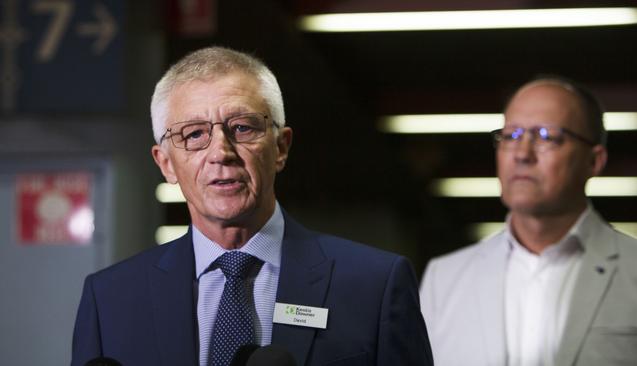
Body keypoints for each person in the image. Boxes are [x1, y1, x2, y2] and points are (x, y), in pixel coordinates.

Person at [72, 46, 433, 366]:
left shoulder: (374, 286)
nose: (220, 153)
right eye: (194, 134)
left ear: (281, 147)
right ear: (166, 163)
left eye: (242, 128)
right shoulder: (110, 300)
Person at [419, 76, 637, 366]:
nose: (522, 154)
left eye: (546, 136)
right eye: (511, 135)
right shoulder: (444, 279)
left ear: (594, 161)